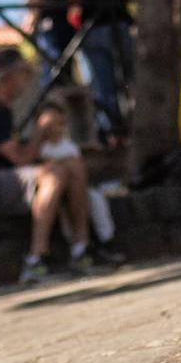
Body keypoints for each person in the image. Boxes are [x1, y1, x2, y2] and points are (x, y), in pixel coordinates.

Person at [0, 48, 95, 283]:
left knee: (74, 164)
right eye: (24, 73)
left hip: (6, 180)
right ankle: (35, 259)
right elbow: (20, 159)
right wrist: (41, 131)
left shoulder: (2, 110)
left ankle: (81, 248)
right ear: (6, 77)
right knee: (55, 173)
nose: (27, 80)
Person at [34, 97, 126, 261]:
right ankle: (78, 248)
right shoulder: (41, 148)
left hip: (79, 189)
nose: (58, 128)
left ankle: (105, 242)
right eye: (54, 123)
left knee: (97, 201)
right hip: (58, 190)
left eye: (62, 123)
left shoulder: (70, 146)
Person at [68, 0, 132, 143]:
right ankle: (128, 127)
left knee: (102, 84)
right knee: (127, 79)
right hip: (118, 25)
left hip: (93, 29)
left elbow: (77, 0)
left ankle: (110, 132)